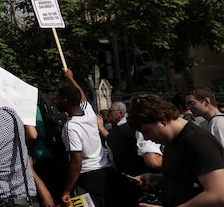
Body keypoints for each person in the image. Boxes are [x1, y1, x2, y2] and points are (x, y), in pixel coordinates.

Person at [128, 94, 224, 207]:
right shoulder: (171, 141)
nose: (146, 137)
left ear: (163, 120)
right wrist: (158, 179)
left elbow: (218, 194)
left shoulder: (197, 141)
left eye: (146, 131)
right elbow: (189, 176)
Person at [56, 69, 116, 207]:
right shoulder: (88, 112)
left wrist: (67, 191)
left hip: (88, 179)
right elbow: (82, 97)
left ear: (65, 101)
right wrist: (70, 78)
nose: (55, 101)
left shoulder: (71, 126)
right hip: (105, 172)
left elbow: (76, 163)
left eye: (57, 98)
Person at [97, 100, 161, 207]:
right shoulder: (117, 130)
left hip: (145, 181)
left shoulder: (135, 128)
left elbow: (152, 161)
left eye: (110, 112)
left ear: (120, 114)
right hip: (130, 181)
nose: (107, 115)